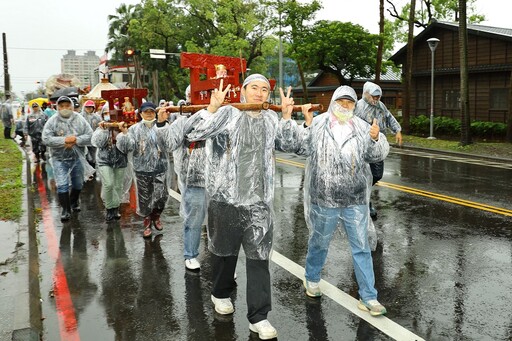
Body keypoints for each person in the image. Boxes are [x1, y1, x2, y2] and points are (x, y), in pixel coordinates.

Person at [185, 75, 300, 340]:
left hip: (259, 203)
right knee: (225, 255)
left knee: (259, 259)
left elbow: (292, 146)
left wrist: (285, 117)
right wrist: (212, 109)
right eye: (254, 88)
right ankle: (220, 293)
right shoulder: (228, 114)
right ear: (243, 91)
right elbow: (192, 134)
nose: (260, 93)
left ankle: (259, 316)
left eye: (265, 90)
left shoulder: (271, 120)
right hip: (226, 200)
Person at [295, 85, 389, 316]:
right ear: (333, 102)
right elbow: (299, 147)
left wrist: (375, 139)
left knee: (361, 247)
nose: (345, 106)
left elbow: (375, 156)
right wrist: (306, 125)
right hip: (324, 198)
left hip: (355, 199)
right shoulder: (318, 124)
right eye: (341, 102)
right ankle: (312, 278)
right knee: (319, 242)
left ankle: (369, 296)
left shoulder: (362, 127)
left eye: (350, 103)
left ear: (354, 106)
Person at [156, 104, 210, 271]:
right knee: (194, 218)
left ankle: (224, 260)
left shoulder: (224, 117)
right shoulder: (183, 122)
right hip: (195, 178)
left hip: (221, 180)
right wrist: (161, 123)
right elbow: (168, 145)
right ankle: (191, 254)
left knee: (221, 221)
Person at [354, 81, 402, 218]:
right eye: (373, 96)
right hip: (361, 148)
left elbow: (389, 117)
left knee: (377, 175)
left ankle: (362, 195)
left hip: (377, 147)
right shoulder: (358, 106)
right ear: (366, 94)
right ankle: (365, 203)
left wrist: (397, 130)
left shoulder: (381, 106)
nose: (376, 99)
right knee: (364, 176)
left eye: (378, 97)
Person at [42, 96, 93, 221]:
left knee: (78, 183)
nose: (65, 108)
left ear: (71, 106)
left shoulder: (79, 119)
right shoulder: (52, 121)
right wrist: (64, 140)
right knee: (62, 184)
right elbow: (46, 138)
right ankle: (65, 210)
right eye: (62, 106)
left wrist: (76, 140)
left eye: (67, 105)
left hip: (77, 157)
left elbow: (90, 135)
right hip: (59, 159)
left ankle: (74, 202)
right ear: (57, 107)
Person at [124, 102, 169, 238]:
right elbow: (129, 146)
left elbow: (170, 142)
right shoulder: (134, 129)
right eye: (146, 111)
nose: (149, 114)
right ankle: (147, 222)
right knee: (145, 198)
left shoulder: (162, 126)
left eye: (151, 111)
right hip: (142, 169)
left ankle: (156, 216)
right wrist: (124, 135)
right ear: (140, 113)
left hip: (160, 167)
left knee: (161, 196)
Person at [91, 112, 131, 222]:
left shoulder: (125, 128)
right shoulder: (103, 128)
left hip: (120, 161)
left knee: (118, 186)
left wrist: (124, 133)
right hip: (105, 160)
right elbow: (97, 143)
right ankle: (109, 208)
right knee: (108, 184)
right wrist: (104, 130)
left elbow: (130, 147)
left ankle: (115, 208)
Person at [81, 100, 102, 168]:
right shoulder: (80, 117)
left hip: (94, 139)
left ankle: (93, 169)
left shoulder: (97, 117)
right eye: (87, 107)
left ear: (93, 108)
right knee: (85, 155)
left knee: (94, 155)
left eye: (91, 107)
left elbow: (100, 127)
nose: (89, 109)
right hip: (84, 139)